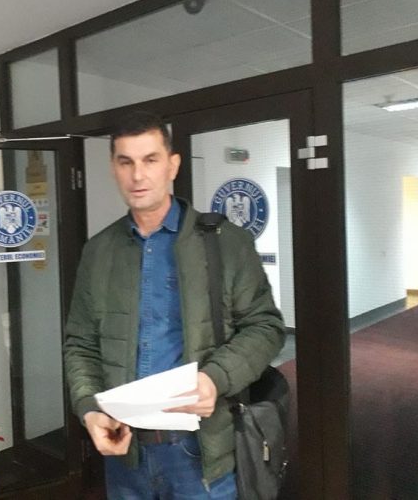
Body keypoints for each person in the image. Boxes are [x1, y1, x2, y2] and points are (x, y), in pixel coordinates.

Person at [63, 111, 286, 499]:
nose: (138, 175)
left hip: (201, 454)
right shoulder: (98, 252)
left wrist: (215, 378)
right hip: (126, 455)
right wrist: (89, 408)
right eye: (126, 162)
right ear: (114, 168)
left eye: (150, 160)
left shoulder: (224, 242)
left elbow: (265, 327)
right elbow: (80, 344)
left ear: (173, 165)